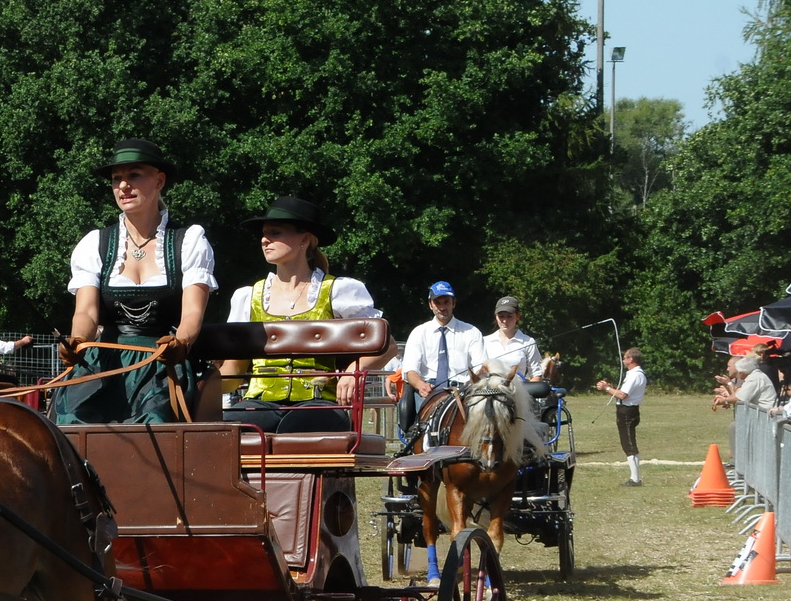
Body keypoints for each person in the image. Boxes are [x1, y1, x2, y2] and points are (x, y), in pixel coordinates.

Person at [56, 139, 215, 424]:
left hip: (162, 364)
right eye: (117, 179)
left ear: (159, 180)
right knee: (71, 421)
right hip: (104, 362)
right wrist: (76, 341)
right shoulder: (95, 243)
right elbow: (86, 312)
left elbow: (192, 313)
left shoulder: (188, 241)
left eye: (134, 175)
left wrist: (180, 343)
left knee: (153, 422)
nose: (123, 186)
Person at [218, 197, 376, 433]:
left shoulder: (338, 291)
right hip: (260, 403)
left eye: (276, 232)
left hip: (319, 402)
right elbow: (233, 370)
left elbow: (388, 346)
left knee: (301, 424)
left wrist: (353, 373)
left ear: (305, 239)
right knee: (231, 426)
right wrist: (202, 381)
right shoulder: (248, 296)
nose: (264, 239)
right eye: (263, 233)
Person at [401, 281, 487, 437]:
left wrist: (472, 383)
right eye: (437, 302)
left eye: (446, 301)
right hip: (429, 392)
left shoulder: (471, 332)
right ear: (430, 305)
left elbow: (480, 367)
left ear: (453, 303)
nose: (442, 306)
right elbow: (410, 371)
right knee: (426, 432)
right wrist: (421, 385)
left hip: (463, 392)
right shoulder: (418, 333)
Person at [595, 347, 648, 486]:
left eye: (625, 357)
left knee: (628, 444)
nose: (623, 360)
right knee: (629, 443)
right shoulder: (634, 374)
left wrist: (606, 388)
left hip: (627, 411)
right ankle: (636, 477)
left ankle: (635, 479)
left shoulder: (635, 375)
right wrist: (610, 389)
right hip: (627, 410)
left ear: (631, 359)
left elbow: (623, 395)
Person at [481, 296, 544, 380]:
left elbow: (536, 375)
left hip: (517, 391)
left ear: (517, 316)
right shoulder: (485, 341)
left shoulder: (528, 342)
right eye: (501, 316)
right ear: (496, 317)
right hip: (491, 391)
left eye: (509, 316)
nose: (505, 321)